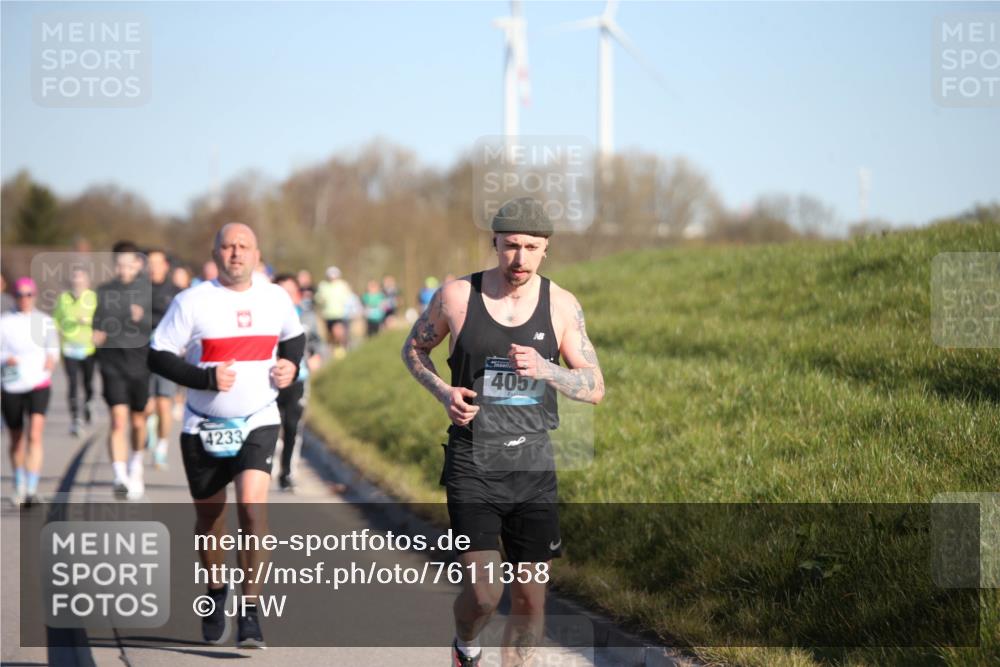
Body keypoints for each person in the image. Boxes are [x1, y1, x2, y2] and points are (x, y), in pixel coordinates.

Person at [401, 198, 605, 667]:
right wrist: (442, 391)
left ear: (546, 248)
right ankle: (466, 646)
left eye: (532, 247)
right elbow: (413, 350)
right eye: (511, 245)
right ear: (494, 242)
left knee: (531, 601)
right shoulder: (457, 297)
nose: (520, 258)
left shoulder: (562, 306)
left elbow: (595, 387)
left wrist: (548, 370)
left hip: (532, 465)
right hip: (473, 461)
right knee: (484, 593)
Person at [149, 223, 304, 648]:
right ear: (216, 253)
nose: (236, 253)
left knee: (252, 509)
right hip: (202, 424)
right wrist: (204, 376)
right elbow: (158, 356)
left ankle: (250, 612)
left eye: (244, 246)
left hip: (258, 417)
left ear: (256, 253)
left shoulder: (274, 297)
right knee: (209, 517)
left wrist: (289, 368)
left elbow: (295, 339)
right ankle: (217, 591)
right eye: (228, 246)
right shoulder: (192, 301)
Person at [93, 241, 153, 500]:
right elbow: (97, 324)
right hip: (112, 362)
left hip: (140, 363)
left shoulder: (148, 291)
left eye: (130, 263)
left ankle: (136, 464)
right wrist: (96, 334)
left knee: (138, 421)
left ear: (138, 264)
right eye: (120, 264)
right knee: (118, 420)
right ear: (114, 264)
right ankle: (119, 476)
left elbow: (162, 325)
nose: (124, 269)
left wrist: (144, 318)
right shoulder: (104, 291)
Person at [1, 278, 59, 506]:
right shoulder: (4, 322)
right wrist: (6, 358)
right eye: (20, 295)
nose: (24, 299)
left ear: (34, 296)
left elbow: (53, 347)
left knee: (35, 434)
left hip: (38, 382)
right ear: (14, 297)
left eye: (29, 295)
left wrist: (51, 361)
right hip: (11, 383)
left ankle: (32, 488)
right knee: (16, 439)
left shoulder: (44, 321)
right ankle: (19, 481)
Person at [272, 274, 323, 491]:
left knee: (293, 426)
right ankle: (266, 468)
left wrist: (315, 356)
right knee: (271, 426)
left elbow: (316, 342)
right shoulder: (263, 315)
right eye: (279, 291)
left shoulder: (307, 317)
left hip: (298, 379)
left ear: (298, 295)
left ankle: (288, 473)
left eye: (289, 292)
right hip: (269, 380)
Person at [145, 249, 181, 468]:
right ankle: (149, 430)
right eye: (150, 263)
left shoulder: (176, 293)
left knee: (163, 405)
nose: (153, 267)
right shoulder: (136, 290)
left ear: (166, 266)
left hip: (167, 354)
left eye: (157, 263)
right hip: (141, 355)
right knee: (146, 406)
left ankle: (161, 448)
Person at [52, 268, 98, 436]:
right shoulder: (63, 298)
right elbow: (55, 319)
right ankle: (75, 419)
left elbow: (102, 319)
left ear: (87, 283)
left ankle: (89, 402)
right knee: (72, 383)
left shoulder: (93, 298)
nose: (77, 283)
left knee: (87, 382)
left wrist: (90, 322)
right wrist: (57, 332)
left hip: (88, 348)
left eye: (81, 280)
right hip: (69, 347)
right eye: (75, 279)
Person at [314, 266, 353, 358]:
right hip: (328, 315)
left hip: (341, 314)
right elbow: (318, 298)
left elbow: (349, 298)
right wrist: (321, 300)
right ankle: (334, 352)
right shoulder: (323, 285)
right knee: (331, 335)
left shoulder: (343, 285)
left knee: (339, 333)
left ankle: (343, 350)